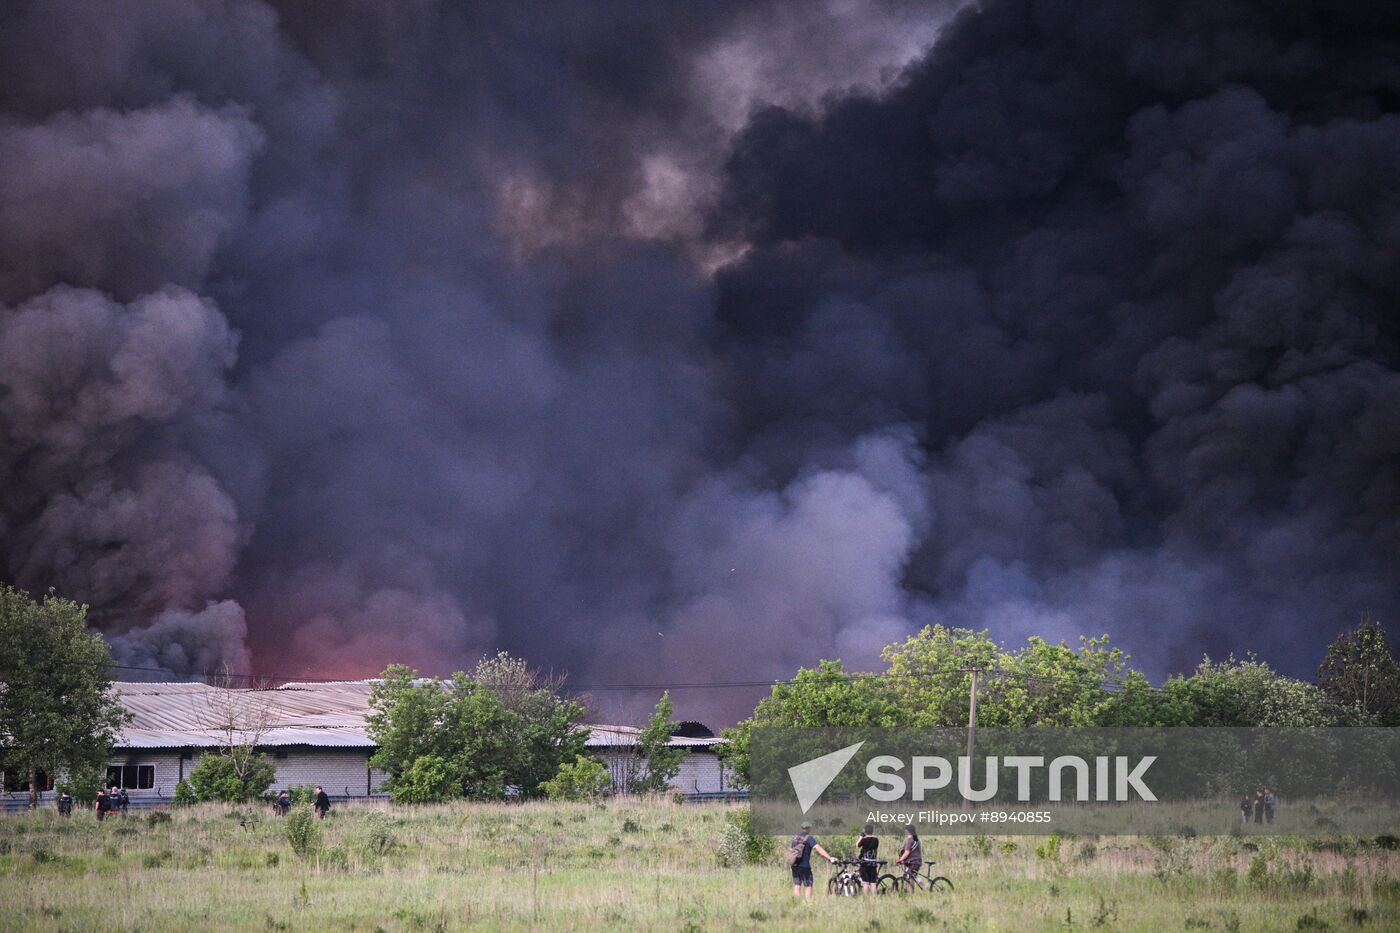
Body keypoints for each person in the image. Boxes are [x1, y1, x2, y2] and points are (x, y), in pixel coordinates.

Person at [787, 821, 836, 898]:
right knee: (808, 884)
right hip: (804, 866)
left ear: (801, 828)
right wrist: (829, 858)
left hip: (795, 865)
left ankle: (796, 903)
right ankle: (808, 904)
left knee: (797, 884)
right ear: (809, 828)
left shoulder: (795, 838)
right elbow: (818, 848)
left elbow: (791, 850)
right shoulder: (809, 838)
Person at [856, 822, 880, 894]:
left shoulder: (864, 839)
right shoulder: (876, 840)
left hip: (865, 863)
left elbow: (857, 845)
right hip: (873, 862)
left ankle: (866, 897)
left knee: (865, 882)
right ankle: (874, 898)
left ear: (865, 831)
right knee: (873, 882)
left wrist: (861, 836)